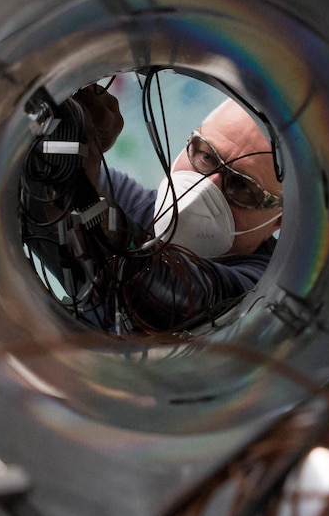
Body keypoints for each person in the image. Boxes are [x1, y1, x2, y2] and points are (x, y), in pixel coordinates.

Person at [25, 82, 284, 331]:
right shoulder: (135, 206)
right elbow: (26, 179)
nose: (204, 186)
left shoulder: (266, 286)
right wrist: (74, 132)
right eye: (205, 156)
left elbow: (174, 298)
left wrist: (82, 183)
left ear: (277, 221)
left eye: (241, 186)